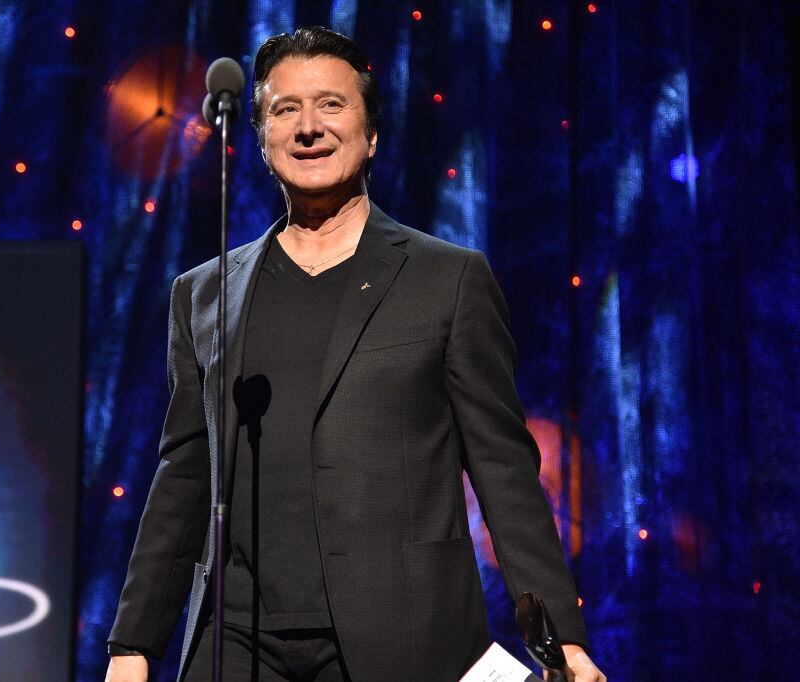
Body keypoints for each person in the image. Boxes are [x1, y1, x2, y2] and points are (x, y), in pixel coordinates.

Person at [105, 26, 606, 682]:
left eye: (331, 105)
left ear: (371, 136)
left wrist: (559, 640)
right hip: (238, 643)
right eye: (285, 110)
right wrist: (133, 647)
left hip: (401, 636)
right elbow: (184, 477)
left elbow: (503, 467)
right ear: (261, 140)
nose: (308, 126)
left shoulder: (446, 280)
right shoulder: (203, 295)